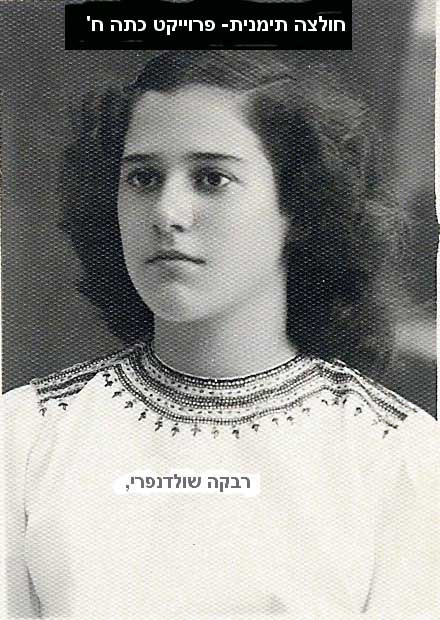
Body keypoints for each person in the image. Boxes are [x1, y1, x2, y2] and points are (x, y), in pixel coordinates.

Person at [3, 50, 438, 619]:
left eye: (211, 178)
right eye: (142, 178)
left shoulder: (394, 455)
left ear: (298, 208)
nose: (167, 212)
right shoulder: (28, 436)